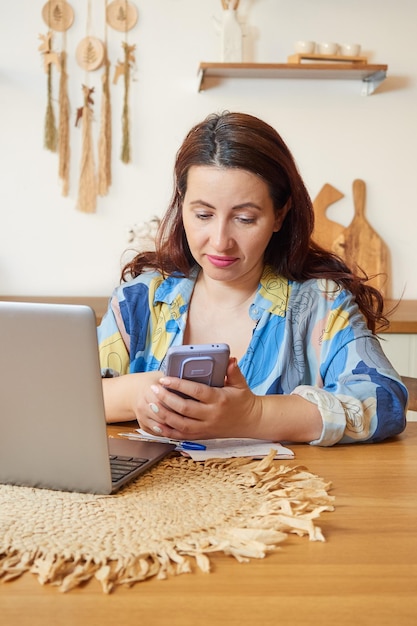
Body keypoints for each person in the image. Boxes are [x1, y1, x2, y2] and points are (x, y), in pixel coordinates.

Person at [98, 111, 407, 446]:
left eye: (245, 218)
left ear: (280, 214)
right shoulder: (140, 299)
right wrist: (135, 394)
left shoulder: (320, 305)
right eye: (203, 214)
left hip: (283, 495)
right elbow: (60, 392)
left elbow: (385, 402)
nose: (219, 240)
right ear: (181, 205)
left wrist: (254, 416)